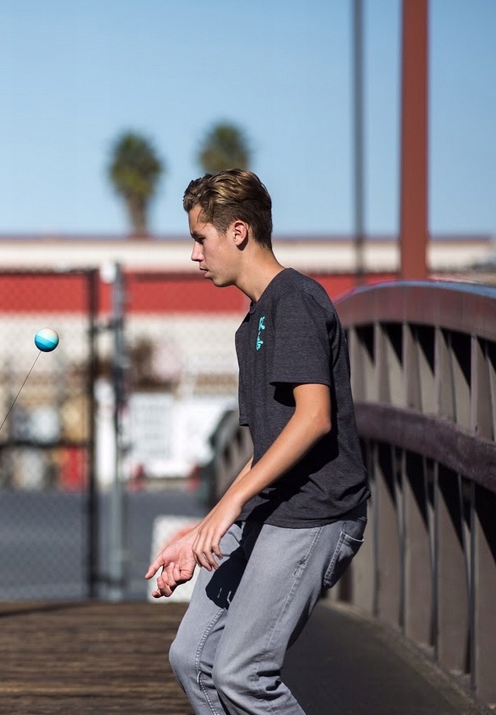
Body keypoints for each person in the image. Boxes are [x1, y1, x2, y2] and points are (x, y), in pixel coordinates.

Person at [146, 169, 369, 715]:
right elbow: (268, 445)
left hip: (314, 513)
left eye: (201, 238)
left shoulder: (294, 301)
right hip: (273, 509)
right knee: (192, 658)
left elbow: (314, 419)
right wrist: (203, 529)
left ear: (238, 232)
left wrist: (229, 506)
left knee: (243, 674)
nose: (195, 255)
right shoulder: (253, 324)